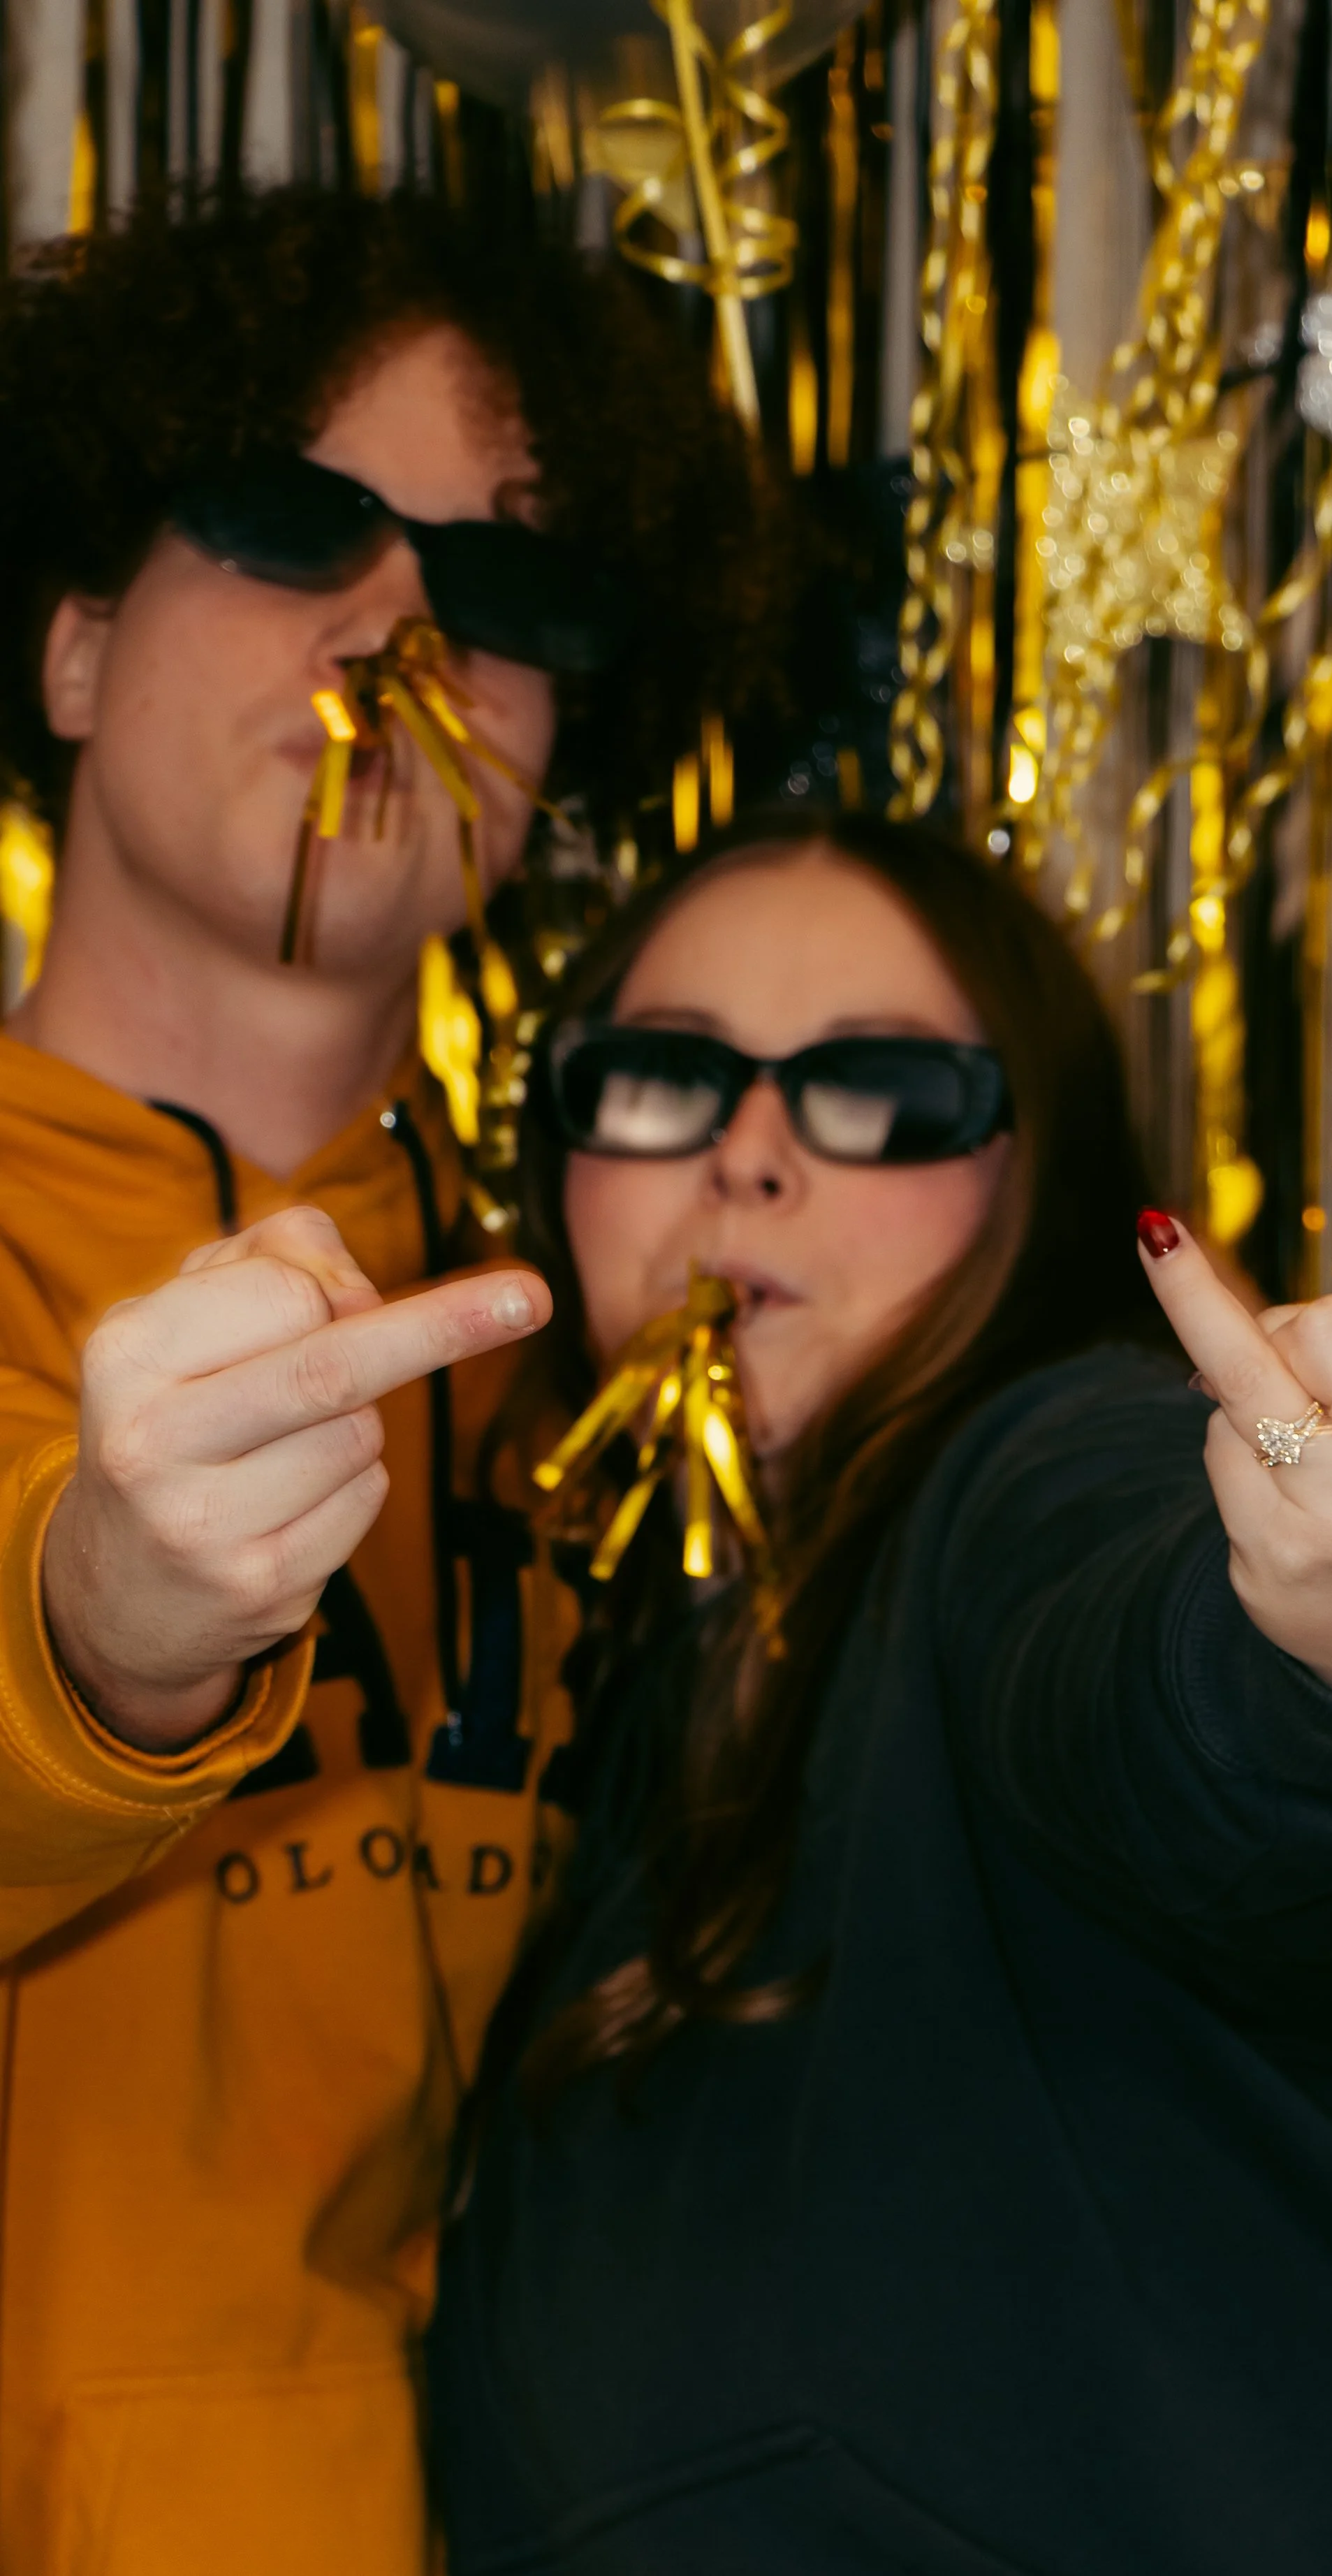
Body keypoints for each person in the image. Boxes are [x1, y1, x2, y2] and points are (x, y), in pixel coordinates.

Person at [425, 813, 1332, 2575]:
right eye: (660, 1076)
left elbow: (1155, 1673)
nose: (743, 1160)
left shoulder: (1027, 1473)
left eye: (878, 1090)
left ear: (1031, 1169)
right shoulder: (653, 1682)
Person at [0, 184, 773, 2573]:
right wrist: (104, 1629)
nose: (400, 619)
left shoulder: (641, 1311)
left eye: (501, 586)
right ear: (73, 642)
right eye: (290, 517)